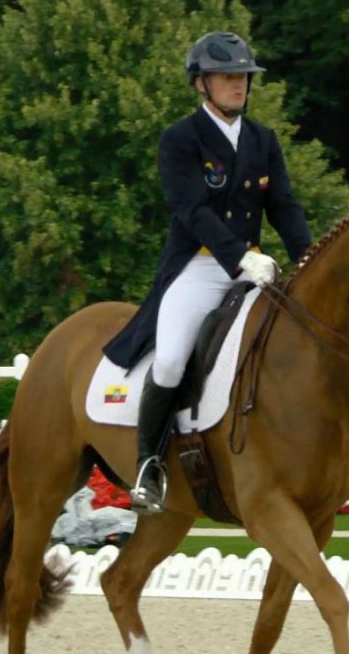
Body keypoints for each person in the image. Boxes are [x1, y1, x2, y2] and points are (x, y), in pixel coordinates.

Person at [101, 31, 313, 514]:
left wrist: (307, 257)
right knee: (173, 359)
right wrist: (240, 257)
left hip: (255, 267)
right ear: (202, 84)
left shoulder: (264, 140)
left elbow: (283, 205)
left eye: (243, 76)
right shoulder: (180, 139)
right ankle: (148, 467)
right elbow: (192, 210)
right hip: (199, 266)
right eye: (228, 77)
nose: (239, 85)